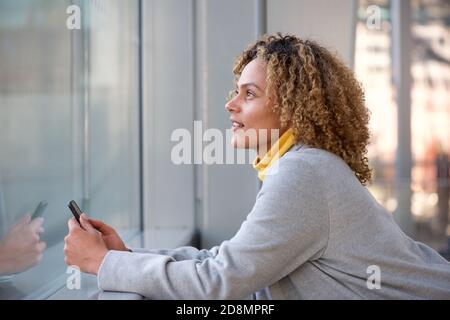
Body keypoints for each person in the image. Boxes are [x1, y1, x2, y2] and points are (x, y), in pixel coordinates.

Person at [64, 33, 450, 299]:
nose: (231, 104)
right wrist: (127, 256)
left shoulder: (304, 174)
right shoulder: (301, 167)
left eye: (249, 94)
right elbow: (228, 263)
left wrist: (103, 264)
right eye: (236, 91)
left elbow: (219, 283)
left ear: (294, 109)